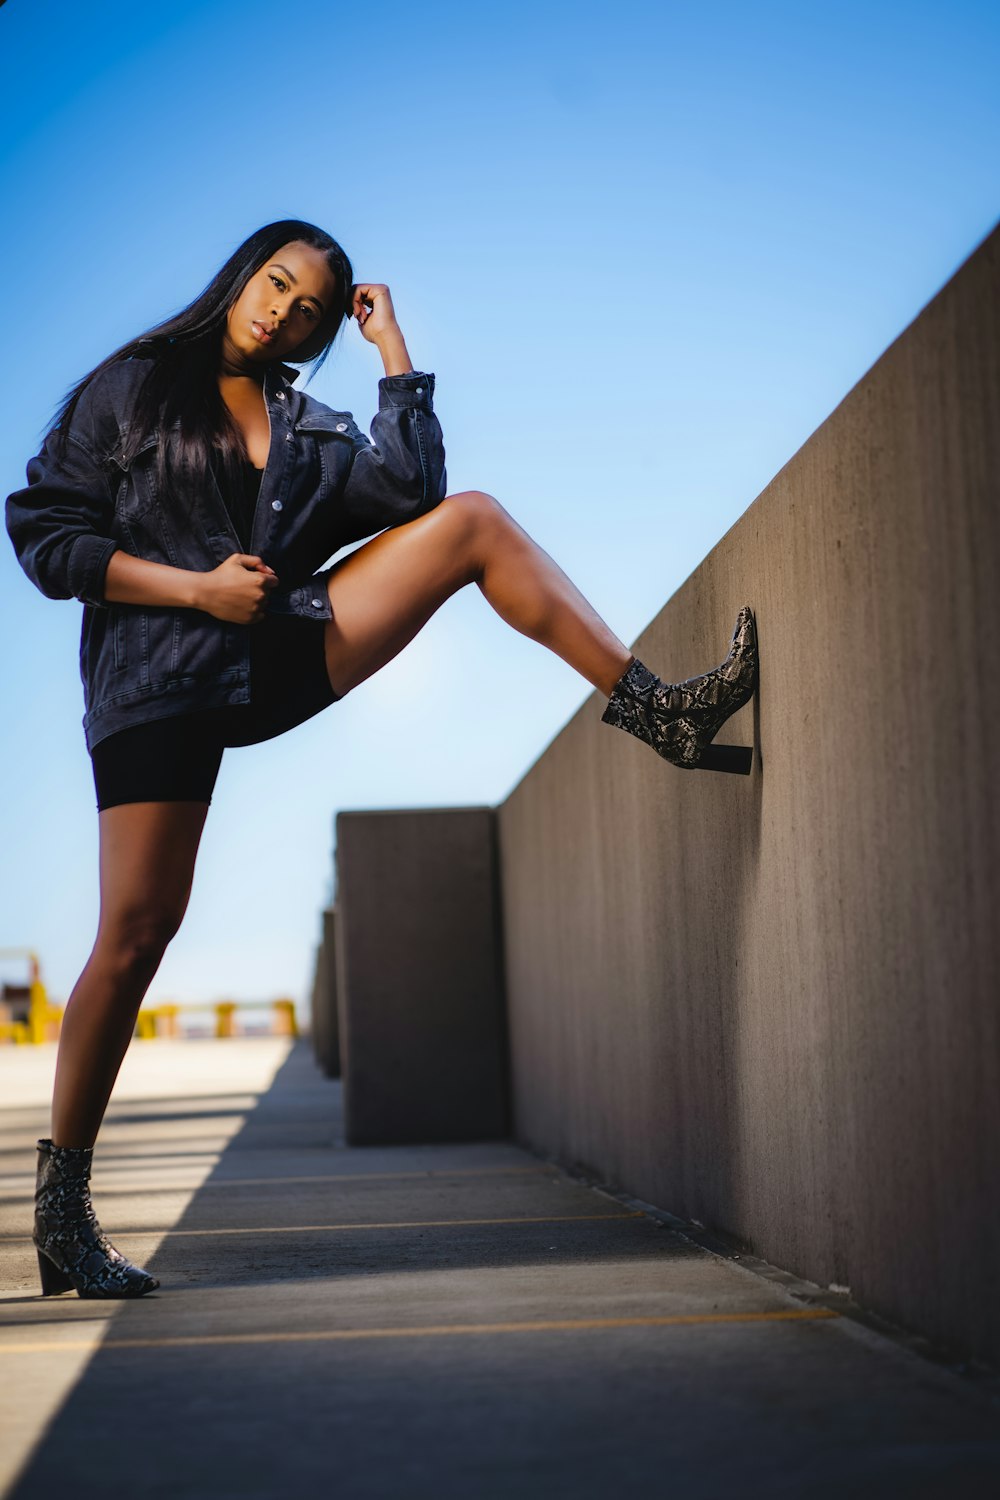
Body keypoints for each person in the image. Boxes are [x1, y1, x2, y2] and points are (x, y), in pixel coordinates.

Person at [5, 218, 758, 1300]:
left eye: (308, 309)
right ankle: (62, 1219)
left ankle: (661, 711)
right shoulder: (133, 385)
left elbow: (410, 491)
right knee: (134, 934)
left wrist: (393, 351)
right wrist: (197, 588)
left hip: (273, 649)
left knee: (473, 525)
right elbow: (49, 538)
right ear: (239, 277)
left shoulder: (305, 424)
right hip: (158, 671)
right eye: (274, 285)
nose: (282, 312)